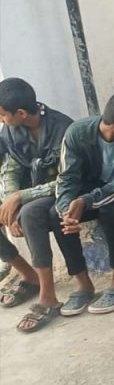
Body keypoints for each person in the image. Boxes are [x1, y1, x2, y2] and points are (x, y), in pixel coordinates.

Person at [14, 93, 114, 327]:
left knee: (111, 212)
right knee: (56, 214)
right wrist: (67, 210)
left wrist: (86, 201)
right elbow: (67, 178)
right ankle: (83, 284)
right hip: (94, 189)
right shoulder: (77, 133)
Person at [0, 78, 71, 331]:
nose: (1, 120)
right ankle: (28, 275)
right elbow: (11, 168)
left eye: (2, 115)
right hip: (29, 193)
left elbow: (67, 180)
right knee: (20, 209)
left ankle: (48, 297)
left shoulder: (62, 129)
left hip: (62, 191)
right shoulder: (11, 131)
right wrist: (11, 202)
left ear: (20, 113)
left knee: (30, 213)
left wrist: (21, 198)